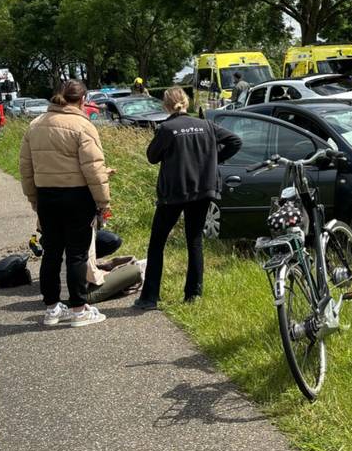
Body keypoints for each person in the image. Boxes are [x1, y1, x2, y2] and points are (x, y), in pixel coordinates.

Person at [134, 87, 242, 309]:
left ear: (166, 105)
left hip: (174, 192)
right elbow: (235, 141)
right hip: (203, 189)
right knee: (194, 240)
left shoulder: (167, 128)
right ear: (187, 102)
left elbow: (152, 157)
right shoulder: (206, 125)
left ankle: (150, 297)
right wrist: (213, 159)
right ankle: (193, 295)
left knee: (157, 242)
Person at [19, 79, 112, 328]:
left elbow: (25, 168)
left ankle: (51, 309)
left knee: (51, 253)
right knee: (77, 254)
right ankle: (79, 310)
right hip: (77, 197)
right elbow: (94, 169)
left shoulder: (35, 125)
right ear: (83, 99)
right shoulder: (83, 125)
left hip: (46, 196)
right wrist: (103, 201)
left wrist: (34, 198)